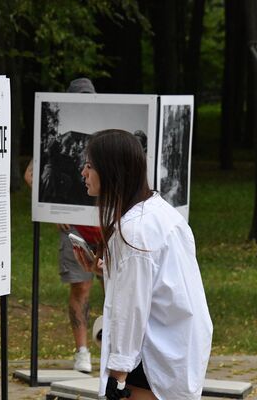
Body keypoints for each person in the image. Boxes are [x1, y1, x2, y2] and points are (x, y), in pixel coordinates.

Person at [73, 129, 212, 399]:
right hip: (177, 342)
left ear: (110, 170)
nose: (83, 172)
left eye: (90, 165)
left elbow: (132, 306)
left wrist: (118, 374)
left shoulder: (135, 231)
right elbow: (155, 279)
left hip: (154, 354)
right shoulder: (159, 212)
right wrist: (102, 269)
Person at [24, 77, 99, 373]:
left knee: (118, 288)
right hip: (77, 227)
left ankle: (116, 350)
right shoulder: (62, 139)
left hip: (108, 226)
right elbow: (31, 175)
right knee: (81, 287)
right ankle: (82, 351)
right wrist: (54, 210)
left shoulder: (106, 139)